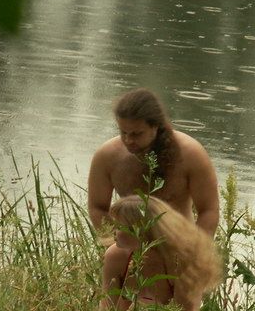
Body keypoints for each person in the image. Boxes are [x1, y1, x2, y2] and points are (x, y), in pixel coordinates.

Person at [98, 195, 255, 311]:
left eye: (119, 226)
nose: (113, 230)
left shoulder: (180, 262)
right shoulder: (115, 256)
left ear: (142, 229)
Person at [88, 88, 219, 238]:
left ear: (155, 126)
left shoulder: (191, 154)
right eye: (123, 132)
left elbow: (208, 210)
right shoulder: (107, 156)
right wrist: (116, 243)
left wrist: (194, 248)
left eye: (137, 134)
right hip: (129, 245)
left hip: (177, 242)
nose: (128, 140)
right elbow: (97, 208)